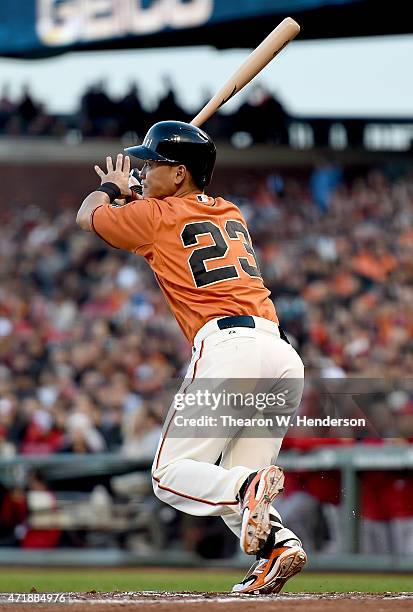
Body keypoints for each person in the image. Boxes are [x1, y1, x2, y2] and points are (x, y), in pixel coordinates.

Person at [76, 120, 307, 594]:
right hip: (280, 355)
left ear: (180, 173)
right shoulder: (229, 211)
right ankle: (278, 548)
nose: (143, 169)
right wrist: (136, 195)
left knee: (171, 475)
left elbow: (87, 216)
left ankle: (247, 492)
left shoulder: (155, 215)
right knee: (223, 480)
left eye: (153, 163)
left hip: (230, 350)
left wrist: (111, 189)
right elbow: (164, 220)